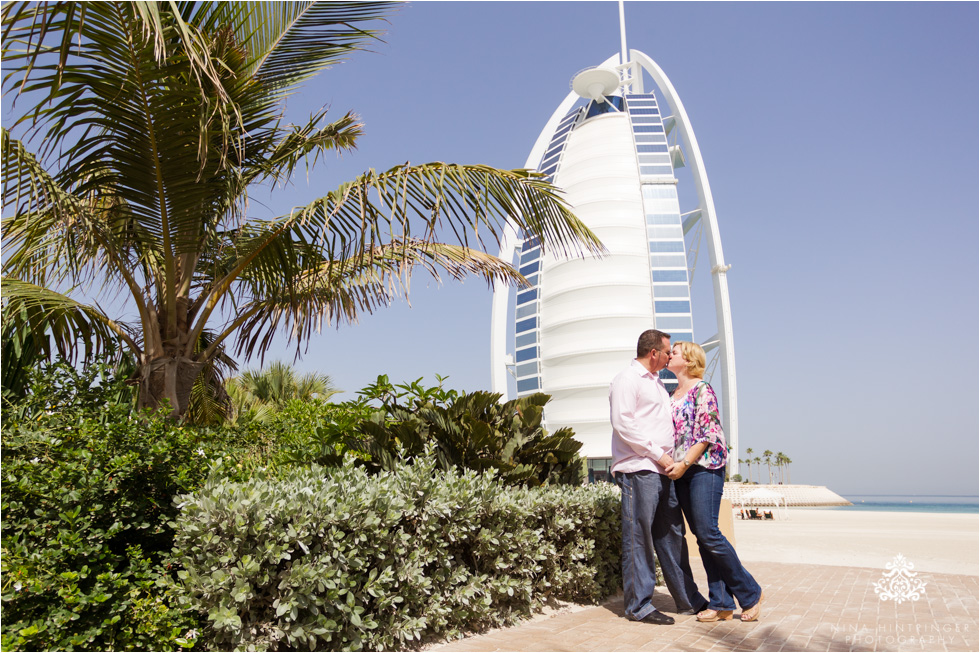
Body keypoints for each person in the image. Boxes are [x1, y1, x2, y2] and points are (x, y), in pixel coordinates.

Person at [609, 329, 707, 626]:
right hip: (639, 467)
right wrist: (659, 454)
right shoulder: (627, 380)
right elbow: (623, 423)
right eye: (667, 352)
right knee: (640, 536)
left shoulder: (656, 382)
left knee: (672, 535)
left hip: (663, 470)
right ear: (654, 353)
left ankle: (687, 599)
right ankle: (639, 606)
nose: (669, 357)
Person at [665, 341, 765, 622]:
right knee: (702, 538)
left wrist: (684, 464)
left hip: (704, 468)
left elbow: (707, 434)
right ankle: (721, 602)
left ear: (688, 360)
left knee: (709, 533)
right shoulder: (672, 394)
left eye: (675, 351)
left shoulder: (702, 389)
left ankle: (750, 592)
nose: (669, 354)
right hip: (681, 471)